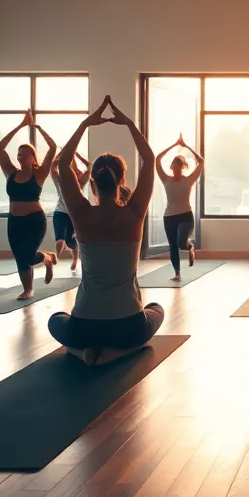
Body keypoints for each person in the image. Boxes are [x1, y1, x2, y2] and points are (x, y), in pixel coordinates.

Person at [49, 96, 165, 365]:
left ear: (92, 181)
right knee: (156, 310)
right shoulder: (134, 213)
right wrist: (128, 123)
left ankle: (81, 351)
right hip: (128, 327)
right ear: (121, 180)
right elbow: (150, 158)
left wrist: (87, 124)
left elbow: (63, 164)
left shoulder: (80, 214)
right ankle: (117, 352)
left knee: (56, 320)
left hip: (84, 326)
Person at [0, 110, 58, 300]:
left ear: (33, 157)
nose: (21, 157)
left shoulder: (39, 175)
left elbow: (52, 148)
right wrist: (21, 126)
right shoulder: (10, 173)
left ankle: (47, 259)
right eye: (19, 154)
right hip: (14, 221)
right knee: (19, 257)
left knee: (29, 255)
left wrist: (38, 128)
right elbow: (0, 147)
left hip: (34, 221)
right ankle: (28, 289)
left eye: (25, 154)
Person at [155, 134, 204, 282]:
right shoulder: (166, 179)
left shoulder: (189, 180)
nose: (176, 168)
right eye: (174, 165)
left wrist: (186, 146)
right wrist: (174, 145)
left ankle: (189, 247)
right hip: (169, 216)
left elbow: (201, 161)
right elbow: (157, 159)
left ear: (183, 167)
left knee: (181, 242)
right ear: (172, 167)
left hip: (185, 216)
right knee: (173, 245)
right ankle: (177, 273)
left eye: (179, 165)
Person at [51, 152, 89, 271]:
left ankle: (75, 259)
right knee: (59, 239)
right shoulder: (59, 180)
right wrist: (63, 153)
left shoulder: (80, 183)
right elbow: (53, 166)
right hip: (60, 212)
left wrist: (75, 154)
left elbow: (90, 166)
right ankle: (55, 260)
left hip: (73, 215)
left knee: (71, 241)